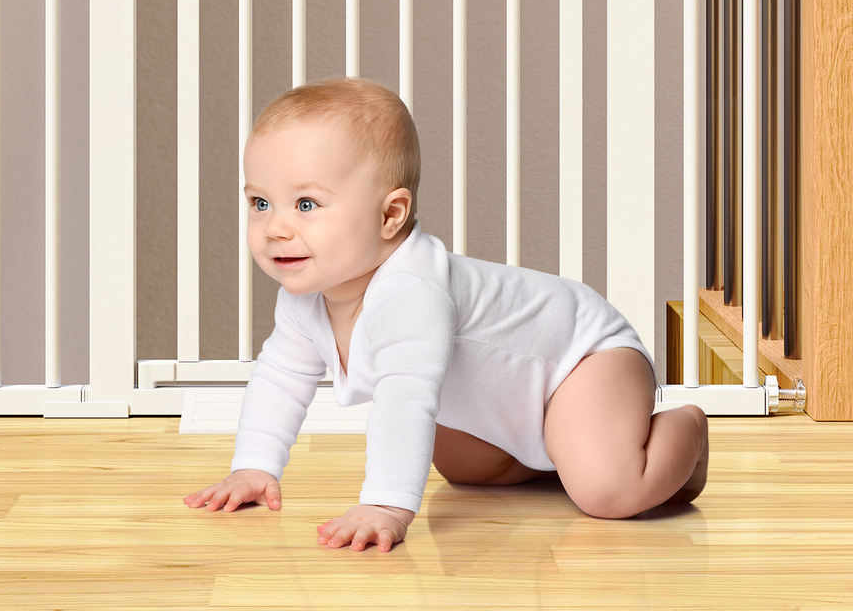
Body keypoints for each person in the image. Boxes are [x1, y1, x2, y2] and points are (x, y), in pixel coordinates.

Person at [184, 76, 709, 552]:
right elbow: (280, 378)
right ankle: (562, 449)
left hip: (584, 359)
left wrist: (387, 504)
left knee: (608, 491)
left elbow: (405, 401)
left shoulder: (410, 291)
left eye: (305, 205)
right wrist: (254, 466)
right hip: (510, 401)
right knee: (462, 467)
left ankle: (683, 430)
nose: (275, 228)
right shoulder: (306, 297)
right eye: (260, 203)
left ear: (390, 215)